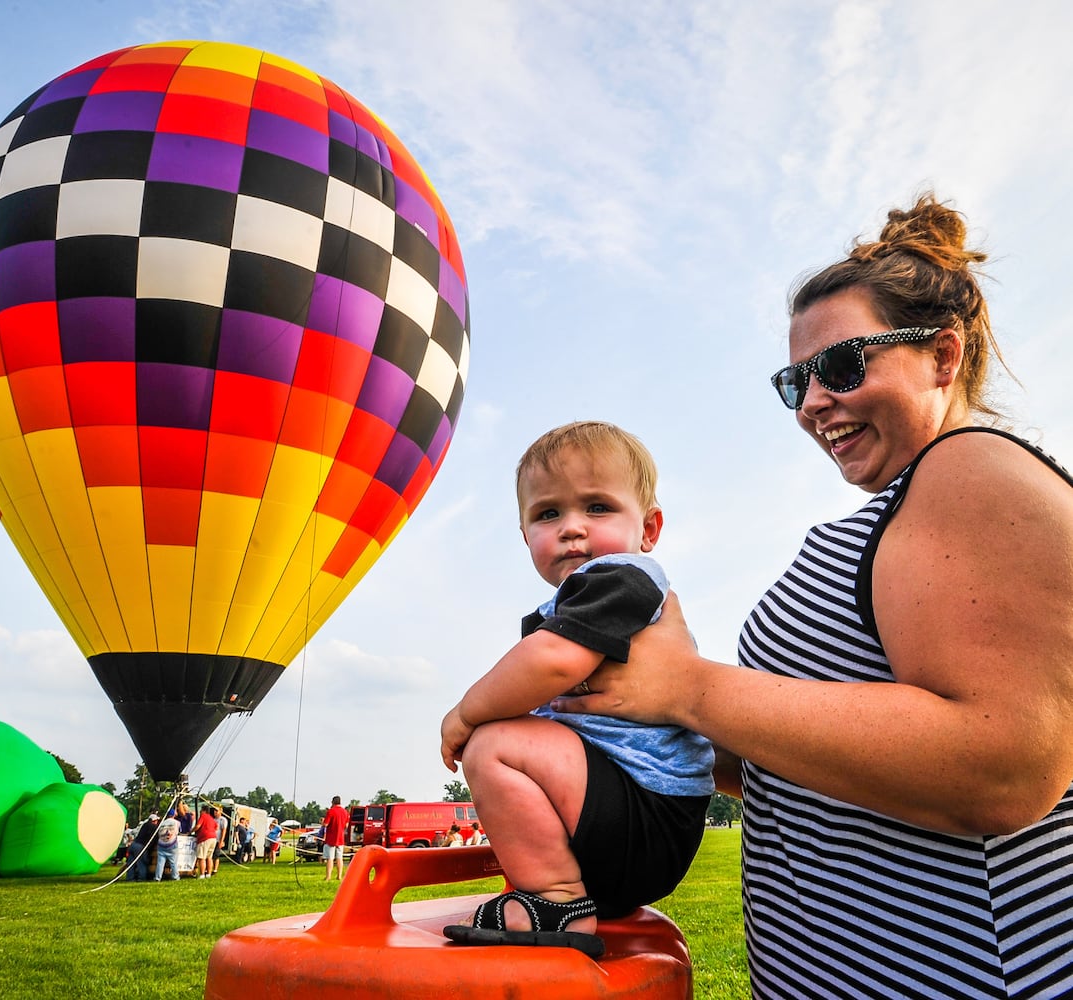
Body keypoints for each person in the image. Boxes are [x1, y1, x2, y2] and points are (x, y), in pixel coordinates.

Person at [554, 194, 1073, 998]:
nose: (810, 404)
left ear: (942, 355)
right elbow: (803, 758)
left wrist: (691, 687)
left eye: (839, 366)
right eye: (794, 380)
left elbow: (1003, 766)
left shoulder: (970, 469)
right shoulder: (898, 506)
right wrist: (634, 719)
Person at [440, 421, 714, 958]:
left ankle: (556, 899)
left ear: (649, 529)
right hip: (617, 816)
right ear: (525, 536)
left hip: (646, 808)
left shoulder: (622, 576)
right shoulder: (563, 607)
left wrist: (465, 712)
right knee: (511, 737)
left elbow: (554, 661)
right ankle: (561, 887)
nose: (571, 528)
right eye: (548, 514)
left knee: (494, 742)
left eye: (597, 507)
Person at [322, 795, 349, 880]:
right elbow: (346, 825)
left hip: (331, 839)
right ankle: (339, 876)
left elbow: (325, 824)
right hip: (340, 839)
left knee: (330, 858)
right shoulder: (345, 812)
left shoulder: (331, 811)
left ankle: (328, 876)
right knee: (339, 858)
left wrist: (322, 823)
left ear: (333, 802)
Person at [125, 814, 158, 882]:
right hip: (140, 847)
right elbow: (154, 839)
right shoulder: (154, 827)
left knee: (130, 864)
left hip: (133, 844)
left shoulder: (144, 825)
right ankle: (141, 878)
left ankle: (130, 878)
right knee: (141, 863)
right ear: (154, 821)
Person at [153, 809, 181, 881]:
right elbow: (180, 831)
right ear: (174, 815)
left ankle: (157, 877)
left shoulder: (161, 823)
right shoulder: (176, 822)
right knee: (173, 862)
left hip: (161, 844)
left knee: (160, 863)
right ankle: (175, 877)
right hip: (172, 844)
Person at [195, 805, 219, 879]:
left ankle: (202, 875)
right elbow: (216, 827)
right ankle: (208, 874)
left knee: (201, 857)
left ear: (204, 811)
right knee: (209, 857)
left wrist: (192, 831)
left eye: (201, 810)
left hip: (205, 838)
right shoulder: (211, 818)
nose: (200, 812)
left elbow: (198, 826)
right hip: (213, 838)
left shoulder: (203, 816)